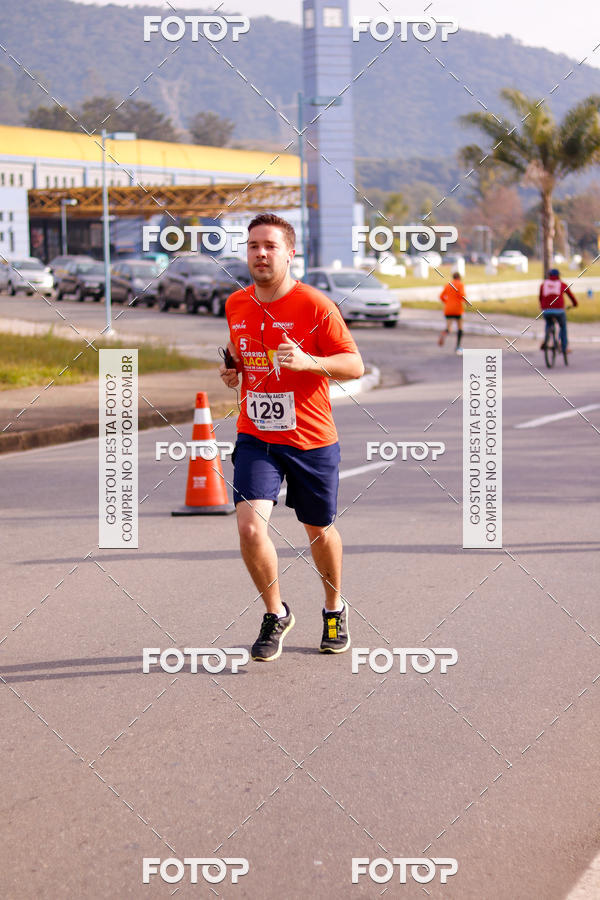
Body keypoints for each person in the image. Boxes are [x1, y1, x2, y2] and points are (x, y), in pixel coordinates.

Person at [219, 213, 364, 662]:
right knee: (249, 527)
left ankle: (334, 608)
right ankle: (275, 612)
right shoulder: (236, 304)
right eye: (253, 246)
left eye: (270, 246)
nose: (260, 254)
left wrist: (309, 362)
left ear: (290, 253)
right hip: (256, 433)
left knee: (318, 530)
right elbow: (244, 354)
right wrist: (234, 371)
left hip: (310, 437)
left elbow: (354, 365)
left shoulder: (316, 306)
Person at [539, 268, 578, 353]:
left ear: (549, 276)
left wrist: (542, 307)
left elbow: (540, 298)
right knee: (563, 326)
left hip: (546, 310)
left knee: (548, 323)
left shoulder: (543, 285)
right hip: (559, 310)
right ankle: (564, 347)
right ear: (558, 276)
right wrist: (575, 304)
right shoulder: (562, 284)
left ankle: (546, 339)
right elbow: (571, 296)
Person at [438, 272, 466, 354]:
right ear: (459, 278)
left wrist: (447, 302)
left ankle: (444, 333)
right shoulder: (460, 285)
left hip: (448, 309)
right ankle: (458, 347)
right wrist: (466, 302)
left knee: (449, 328)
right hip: (457, 309)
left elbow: (441, 296)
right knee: (460, 328)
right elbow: (462, 295)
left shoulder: (448, 285)